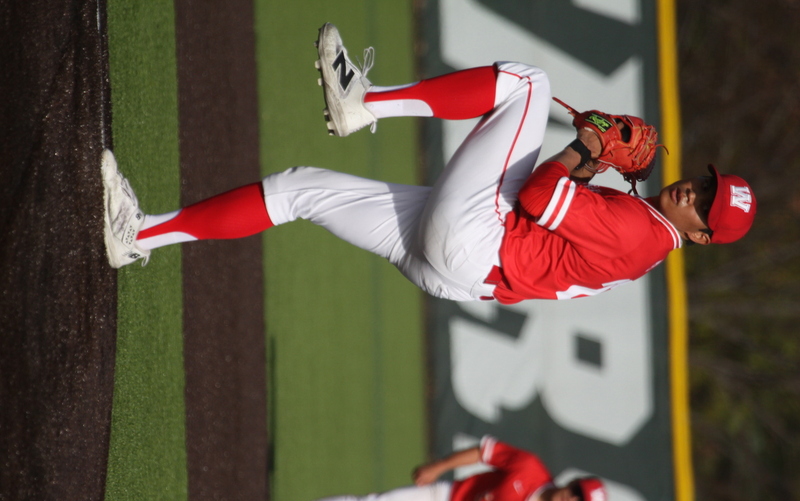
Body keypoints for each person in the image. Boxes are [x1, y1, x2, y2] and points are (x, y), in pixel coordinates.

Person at [102, 23, 757, 304]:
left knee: (528, 83)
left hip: (482, 242)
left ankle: (367, 102)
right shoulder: (641, 233)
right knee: (300, 190)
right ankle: (139, 234)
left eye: (704, 204)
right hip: (457, 272)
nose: (692, 191)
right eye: (705, 183)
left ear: (700, 234)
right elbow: (557, 212)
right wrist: (589, 156)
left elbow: (535, 199)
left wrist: (589, 144)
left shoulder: (645, 234)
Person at [265, 436, 606, 501]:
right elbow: (483, 451)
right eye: (577, 492)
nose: (571, 500)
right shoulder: (530, 468)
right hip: (446, 500)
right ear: (573, 482)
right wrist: (438, 467)